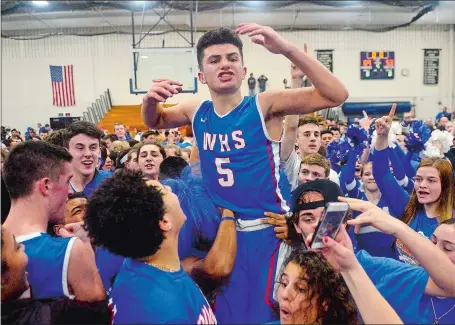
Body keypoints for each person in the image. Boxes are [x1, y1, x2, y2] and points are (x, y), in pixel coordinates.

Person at [141, 25, 348, 323]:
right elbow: (155, 120)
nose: (224, 64)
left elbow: (336, 95)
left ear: (243, 69)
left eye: (231, 58)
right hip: (220, 233)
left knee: (273, 312)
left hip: (267, 231)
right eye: (214, 60)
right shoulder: (195, 109)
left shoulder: (265, 104)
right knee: (226, 315)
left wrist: (286, 49)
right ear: (201, 75)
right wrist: (149, 100)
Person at [84, 171, 217, 324]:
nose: (169, 188)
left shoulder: (135, 266)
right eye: (162, 190)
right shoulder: (167, 313)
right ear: (164, 221)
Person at [2, 141, 105, 301]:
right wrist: (85, 247)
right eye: (67, 181)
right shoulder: (71, 250)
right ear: (46, 186)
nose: (70, 192)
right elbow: (101, 315)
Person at [335, 197, 455, 324]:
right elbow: (350, 260)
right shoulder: (401, 274)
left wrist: (398, 227)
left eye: (448, 248)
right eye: (433, 242)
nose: (434, 250)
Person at [373, 105, 455, 264]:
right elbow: (382, 174)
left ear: (445, 185)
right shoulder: (406, 207)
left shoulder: (452, 220)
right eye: (418, 179)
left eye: (431, 180)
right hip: (401, 287)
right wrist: (382, 136)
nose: (422, 185)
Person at [1, 227, 110, 324]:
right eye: (16, 247)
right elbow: (98, 313)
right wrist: (85, 248)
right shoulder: (48, 317)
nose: (23, 247)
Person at [64, 121, 111, 196]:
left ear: (99, 151)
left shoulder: (112, 183)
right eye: (80, 148)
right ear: (66, 153)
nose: (88, 154)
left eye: (93, 147)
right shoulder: (54, 188)